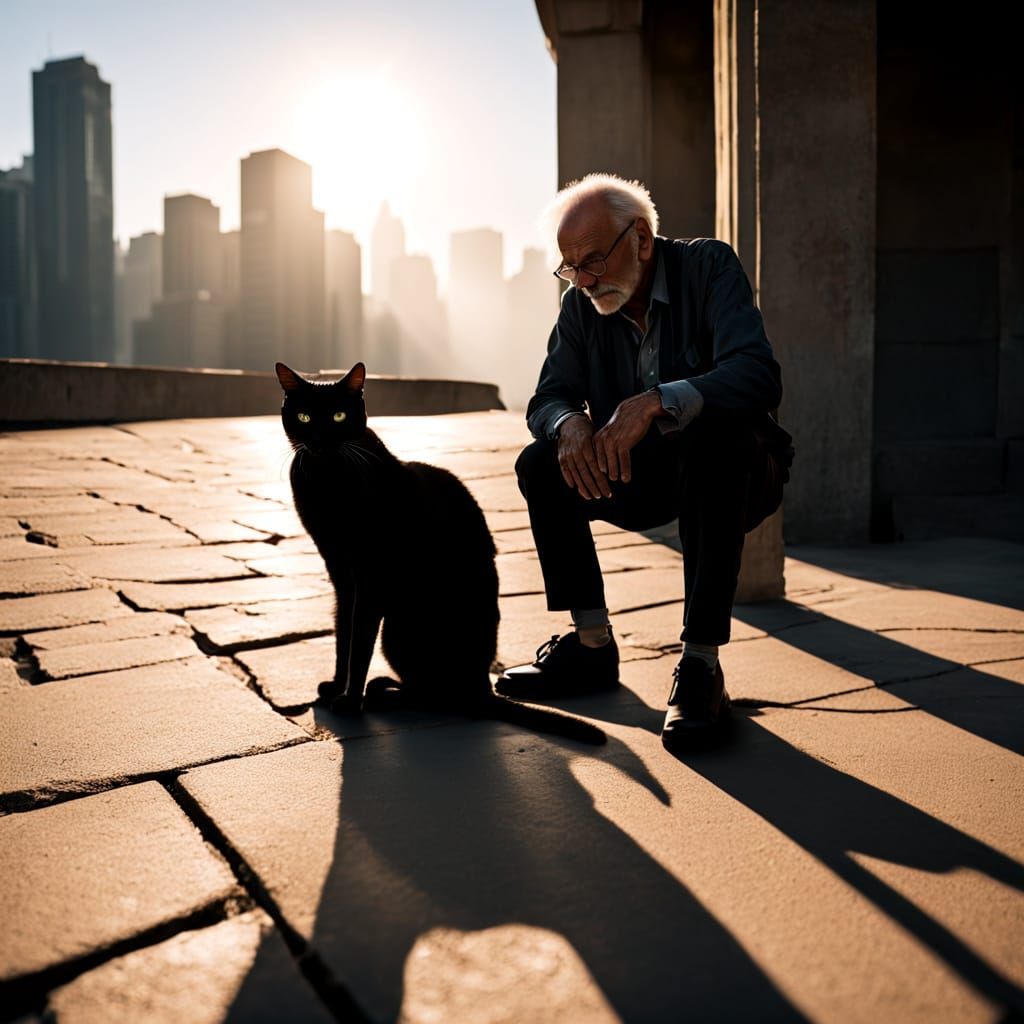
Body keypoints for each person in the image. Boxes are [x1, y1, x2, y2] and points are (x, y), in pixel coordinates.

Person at [495, 173, 793, 753]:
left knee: (714, 438)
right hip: (640, 475)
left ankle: (701, 667)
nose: (584, 280)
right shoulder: (579, 307)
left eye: (594, 261)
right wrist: (569, 423)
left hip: (735, 472)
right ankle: (590, 646)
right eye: (570, 267)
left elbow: (759, 375)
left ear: (642, 239)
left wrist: (659, 400)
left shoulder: (709, 268)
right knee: (540, 464)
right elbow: (547, 399)